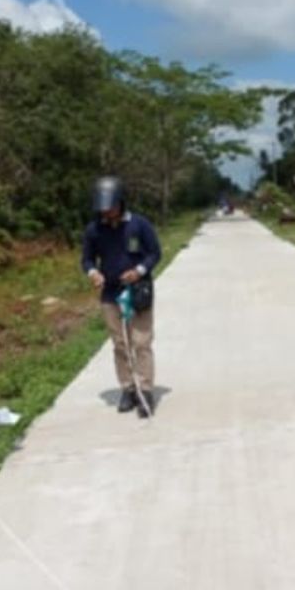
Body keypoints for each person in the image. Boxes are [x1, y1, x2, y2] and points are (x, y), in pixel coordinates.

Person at [81, 176, 162, 416]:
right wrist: (93, 272)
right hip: (110, 294)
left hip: (138, 292)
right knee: (119, 344)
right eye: (103, 209)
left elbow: (154, 253)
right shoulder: (94, 230)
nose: (107, 213)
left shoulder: (139, 224)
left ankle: (145, 390)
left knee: (141, 342)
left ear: (120, 202)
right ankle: (128, 389)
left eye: (111, 207)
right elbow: (86, 259)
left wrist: (138, 271)